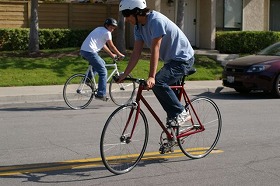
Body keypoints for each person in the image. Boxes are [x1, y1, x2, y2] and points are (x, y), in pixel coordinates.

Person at [117, 0, 195, 126]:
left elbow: (155, 49)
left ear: (137, 12)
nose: (126, 19)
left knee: (158, 82)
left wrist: (152, 76)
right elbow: (136, 53)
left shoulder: (155, 21)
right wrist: (125, 74)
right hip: (171, 61)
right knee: (170, 110)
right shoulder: (138, 27)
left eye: (127, 15)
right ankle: (173, 135)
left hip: (183, 59)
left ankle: (182, 113)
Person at [80, 18, 125, 101]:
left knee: (102, 63)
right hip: (90, 52)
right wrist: (119, 54)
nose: (112, 30)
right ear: (106, 25)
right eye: (111, 27)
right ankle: (101, 94)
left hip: (84, 51)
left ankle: (87, 80)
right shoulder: (107, 33)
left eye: (114, 28)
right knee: (103, 71)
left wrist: (112, 55)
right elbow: (111, 46)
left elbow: (104, 45)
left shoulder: (99, 29)